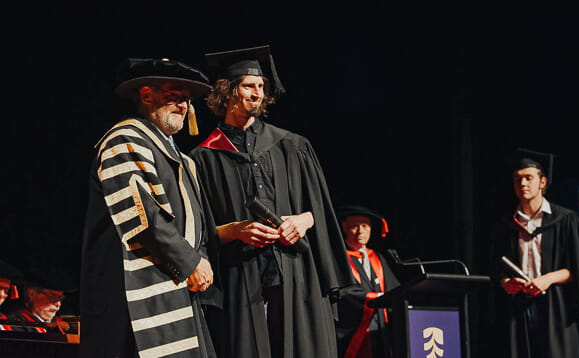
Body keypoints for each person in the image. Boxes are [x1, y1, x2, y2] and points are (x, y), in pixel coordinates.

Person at [188, 45, 355, 358]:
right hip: (240, 279)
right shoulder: (203, 159)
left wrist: (303, 220)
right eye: (249, 86)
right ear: (227, 91)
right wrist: (234, 230)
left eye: (261, 87)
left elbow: (320, 210)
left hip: (296, 274)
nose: (258, 93)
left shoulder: (293, 146)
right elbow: (196, 232)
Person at [80, 58, 217, 358]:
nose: (182, 105)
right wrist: (191, 262)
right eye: (172, 95)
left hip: (175, 280)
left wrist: (201, 259)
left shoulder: (183, 158)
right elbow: (143, 218)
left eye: (186, 99)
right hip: (133, 288)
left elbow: (195, 224)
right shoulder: (125, 139)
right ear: (146, 96)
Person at [491, 149, 579, 358]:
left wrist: (548, 279)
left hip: (557, 306)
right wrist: (506, 282)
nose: (523, 184)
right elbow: (496, 267)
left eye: (529, 178)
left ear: (542, 182)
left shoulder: (565, 220)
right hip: (519, 306)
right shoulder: (507, 224)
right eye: (518, 179)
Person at [334, 205, 400, 358]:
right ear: (344, 227)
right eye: (354, 226)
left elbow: (394, 289)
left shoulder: (377, 258)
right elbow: (339, 291)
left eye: (365, 226)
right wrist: (372, 298)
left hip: (380, 329)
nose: (360, 231)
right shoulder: (338, 258)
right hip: (352, 330)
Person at [5, 265, 76, 333]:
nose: (58, 304)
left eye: (60, 298)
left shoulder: (62, 324)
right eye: (52, 296)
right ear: (32, 293)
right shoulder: (16, 323)